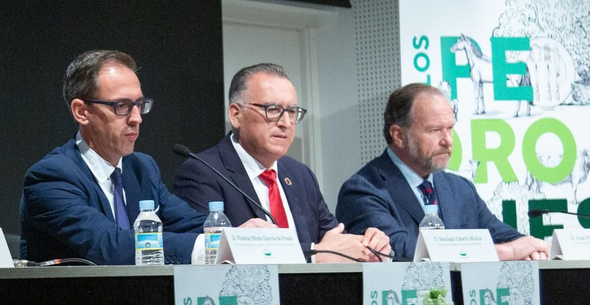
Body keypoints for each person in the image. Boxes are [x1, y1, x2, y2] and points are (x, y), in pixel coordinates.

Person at [173, 63, 391, 263]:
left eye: (292, 112)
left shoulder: (300, 175)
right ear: (236, 115)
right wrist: (314, 254)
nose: (286, 123)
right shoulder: (202, 172)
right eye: (273, 110)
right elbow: (212, 256)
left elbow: (333, 243)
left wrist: (367, 245)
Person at [21, 49, 205, 264]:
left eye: (139, 105)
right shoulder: (51, 177)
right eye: (122, 106)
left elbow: (190, 223)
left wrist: (238, 237)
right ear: (81, 112)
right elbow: (109, 246)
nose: (137, 118)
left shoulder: (142, 168)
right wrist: (205, 247)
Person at [336, 84, 550, 261]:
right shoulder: (364, 190)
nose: (447, 140)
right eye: (435, 130)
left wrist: (532, 249)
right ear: (399, 135)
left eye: (450, 128)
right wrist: (507, 252)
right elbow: (399, 250)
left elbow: (502, 235)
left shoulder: (460, 188)